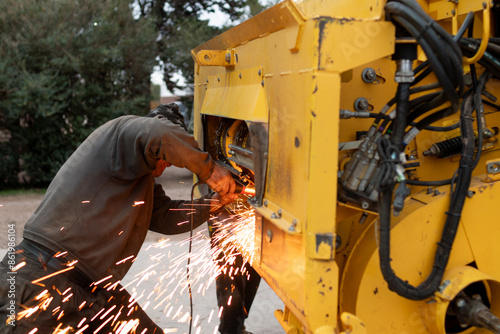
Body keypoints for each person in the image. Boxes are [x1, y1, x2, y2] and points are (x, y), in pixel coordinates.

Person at [0, 103, 238, 333]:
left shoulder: (140, 178)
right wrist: (209, 170)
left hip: (90, 290)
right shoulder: (120, 137)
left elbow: (166, 216)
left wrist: (214, 204)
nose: (166, 165)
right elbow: (159, 133)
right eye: (167, 157)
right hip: (39, 280)